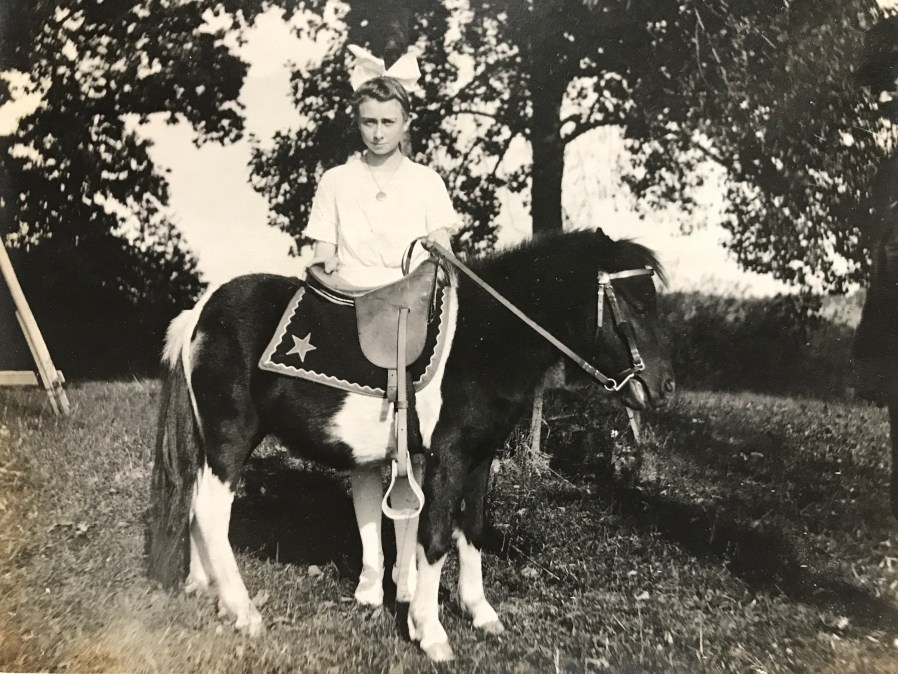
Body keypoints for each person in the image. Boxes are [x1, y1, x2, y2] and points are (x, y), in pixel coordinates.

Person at [303, 44, 461, 607]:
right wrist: (345, 287)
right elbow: (320, 259)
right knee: (366, 445)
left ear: (405, 123)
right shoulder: (336, 181)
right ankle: (372, 568)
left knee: (412, 445)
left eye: (388, 122)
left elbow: (442, 255)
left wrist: (419, 280)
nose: (377, 132)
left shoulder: (426, 183)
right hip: (351, 312)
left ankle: (407, 570)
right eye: (368, 122)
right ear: (358, 121)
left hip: (411, 315)